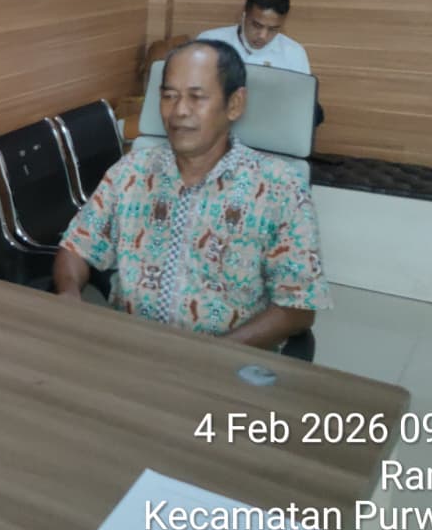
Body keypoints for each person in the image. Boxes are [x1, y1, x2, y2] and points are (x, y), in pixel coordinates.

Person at [53, 40, 331, 348]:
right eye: (169, 96)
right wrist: (69, 293)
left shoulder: (280, 187)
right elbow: (76, 247)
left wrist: (211, 354)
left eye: (197, 97)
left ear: (235, 104)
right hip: (129, 352)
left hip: (226, 362)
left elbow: (298, 307)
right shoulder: (131, 172)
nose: (179, 111)